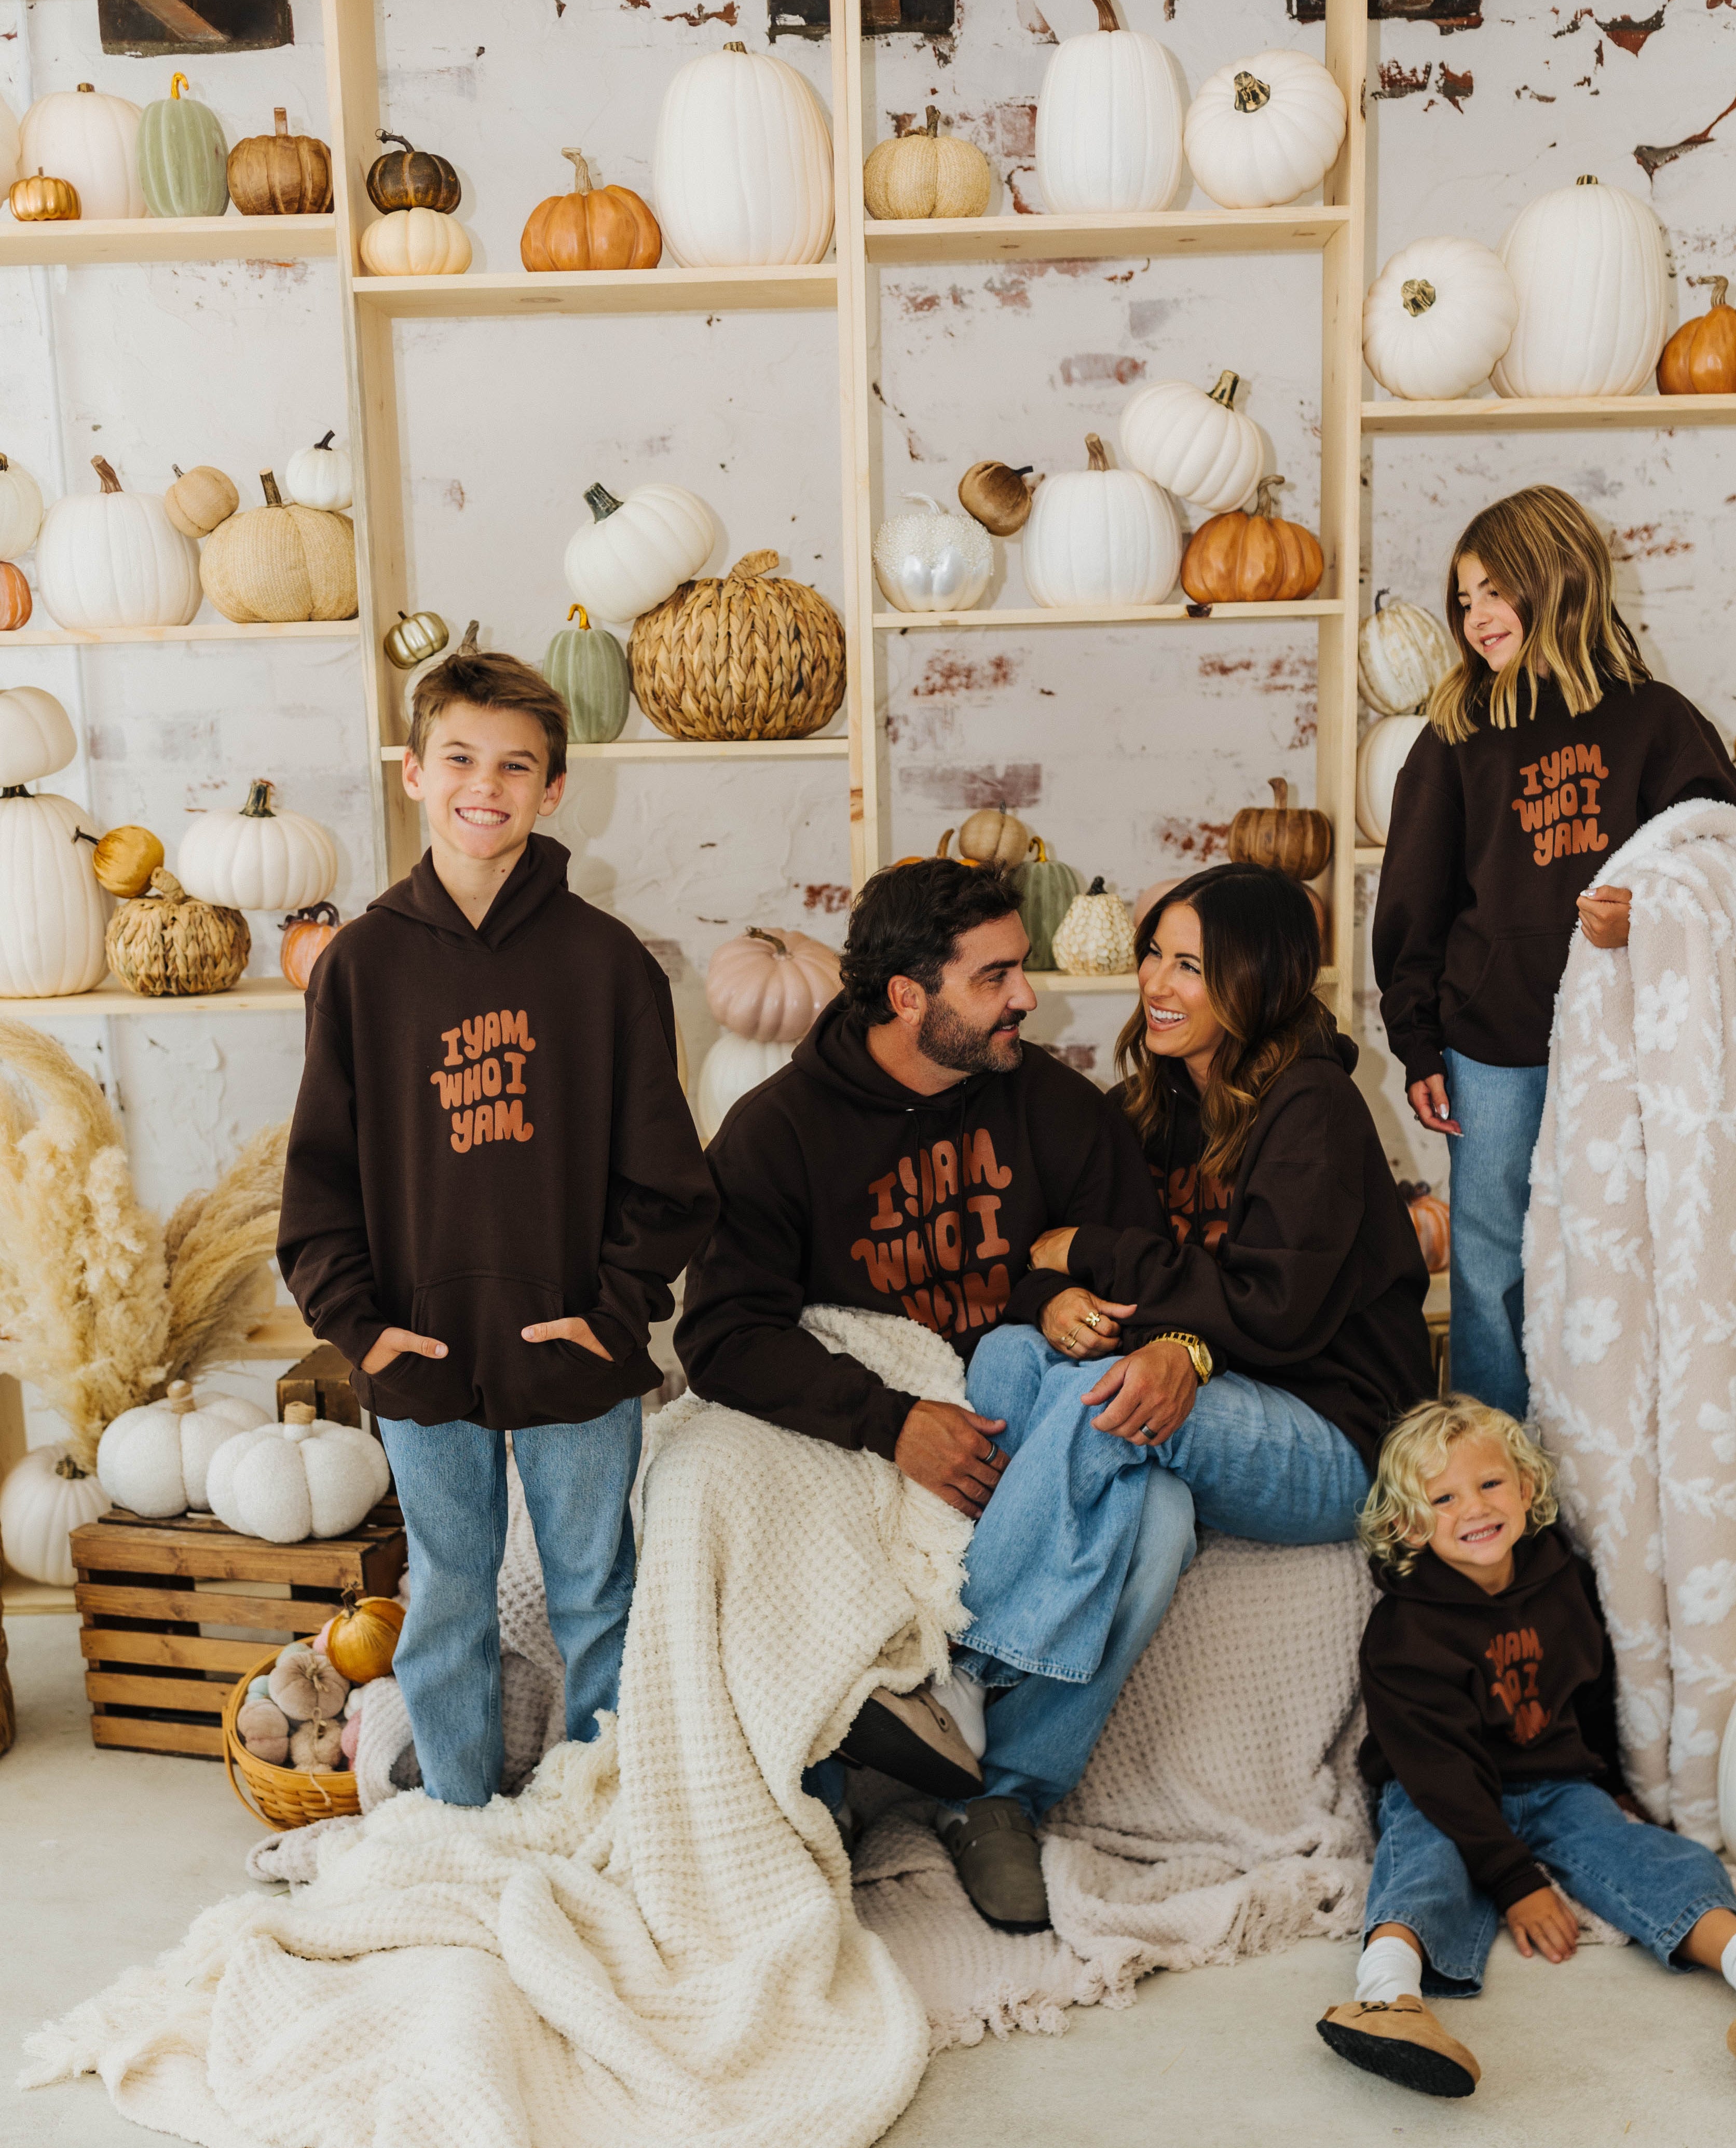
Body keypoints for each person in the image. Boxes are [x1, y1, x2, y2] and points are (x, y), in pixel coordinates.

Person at [674, 854, 1184, 1927]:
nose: (1026, 996)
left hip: (1015, 1407)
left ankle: (1001, 1794)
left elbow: (1135, 1256)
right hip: (875, 1418)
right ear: (910, 996)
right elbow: (721, 1334)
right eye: (995, 976)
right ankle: (820, 1766)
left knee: (1166, 1512)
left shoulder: (1048, 1102)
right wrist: (893, 1421)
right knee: (727, 1484)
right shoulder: (778, 1131)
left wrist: (1051, 1290)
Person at [939, 861, 1437, 1924]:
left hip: (1335, 1435)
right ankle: (1007, 1796)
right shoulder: (1156, 1101)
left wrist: (1109, 1264)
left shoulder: (1316, 1111)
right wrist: (1058, 1291)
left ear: (1255, 978)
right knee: (1036, 1384)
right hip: (1219, 1399)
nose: (1157, 983)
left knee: (1093, 1405)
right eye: (1154, 954)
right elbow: (1044, 1251)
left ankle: (952, 1666)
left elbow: (1274, 1307)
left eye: (1190, 965)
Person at [277, 641, 715, 1806]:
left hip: (575, 1348)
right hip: (421, 1353)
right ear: (413, 772)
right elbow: (318, 1174)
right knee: (449, 1600)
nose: (488, 784)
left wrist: (615, 1318)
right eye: (461, 757)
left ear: (555, 789)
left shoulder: (610, 965)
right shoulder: (361, 964)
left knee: (595, 1598)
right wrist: (360, 1330)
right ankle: (460, 1832)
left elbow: (667, 1180)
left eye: (518, 765)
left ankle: (612, 1822)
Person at [1317, 1393, 1736, 2098]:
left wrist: (1614, 1779)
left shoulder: (1561, 1579)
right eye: (1442, 1498)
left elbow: (1591, 1688)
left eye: (1488, 1484)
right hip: (1438, 1793)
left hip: (1554, 1782)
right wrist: (1515, 1882)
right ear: (1406, 1525)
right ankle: (1389, 2002)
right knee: (1422, 1868)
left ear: (1527, 1487)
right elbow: (1436, 1768)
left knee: (1649, 1857)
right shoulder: (1402, 1632)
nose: (1473, 1508)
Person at [1372, 484, 1736, 1418]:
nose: (1479, 616)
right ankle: (1500, 1458)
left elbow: (1724, 859)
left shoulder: (1658, 722)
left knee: (1622, 1247)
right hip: (1492, 1046)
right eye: (1466, 600)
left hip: (1628, 1043)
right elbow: (1412, 903)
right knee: (1493, 1255)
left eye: (1497, 590)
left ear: (1562, 579)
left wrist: (1651, 913)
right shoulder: (1457, 735)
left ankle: (1612, 1453)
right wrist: (1417, 1041)